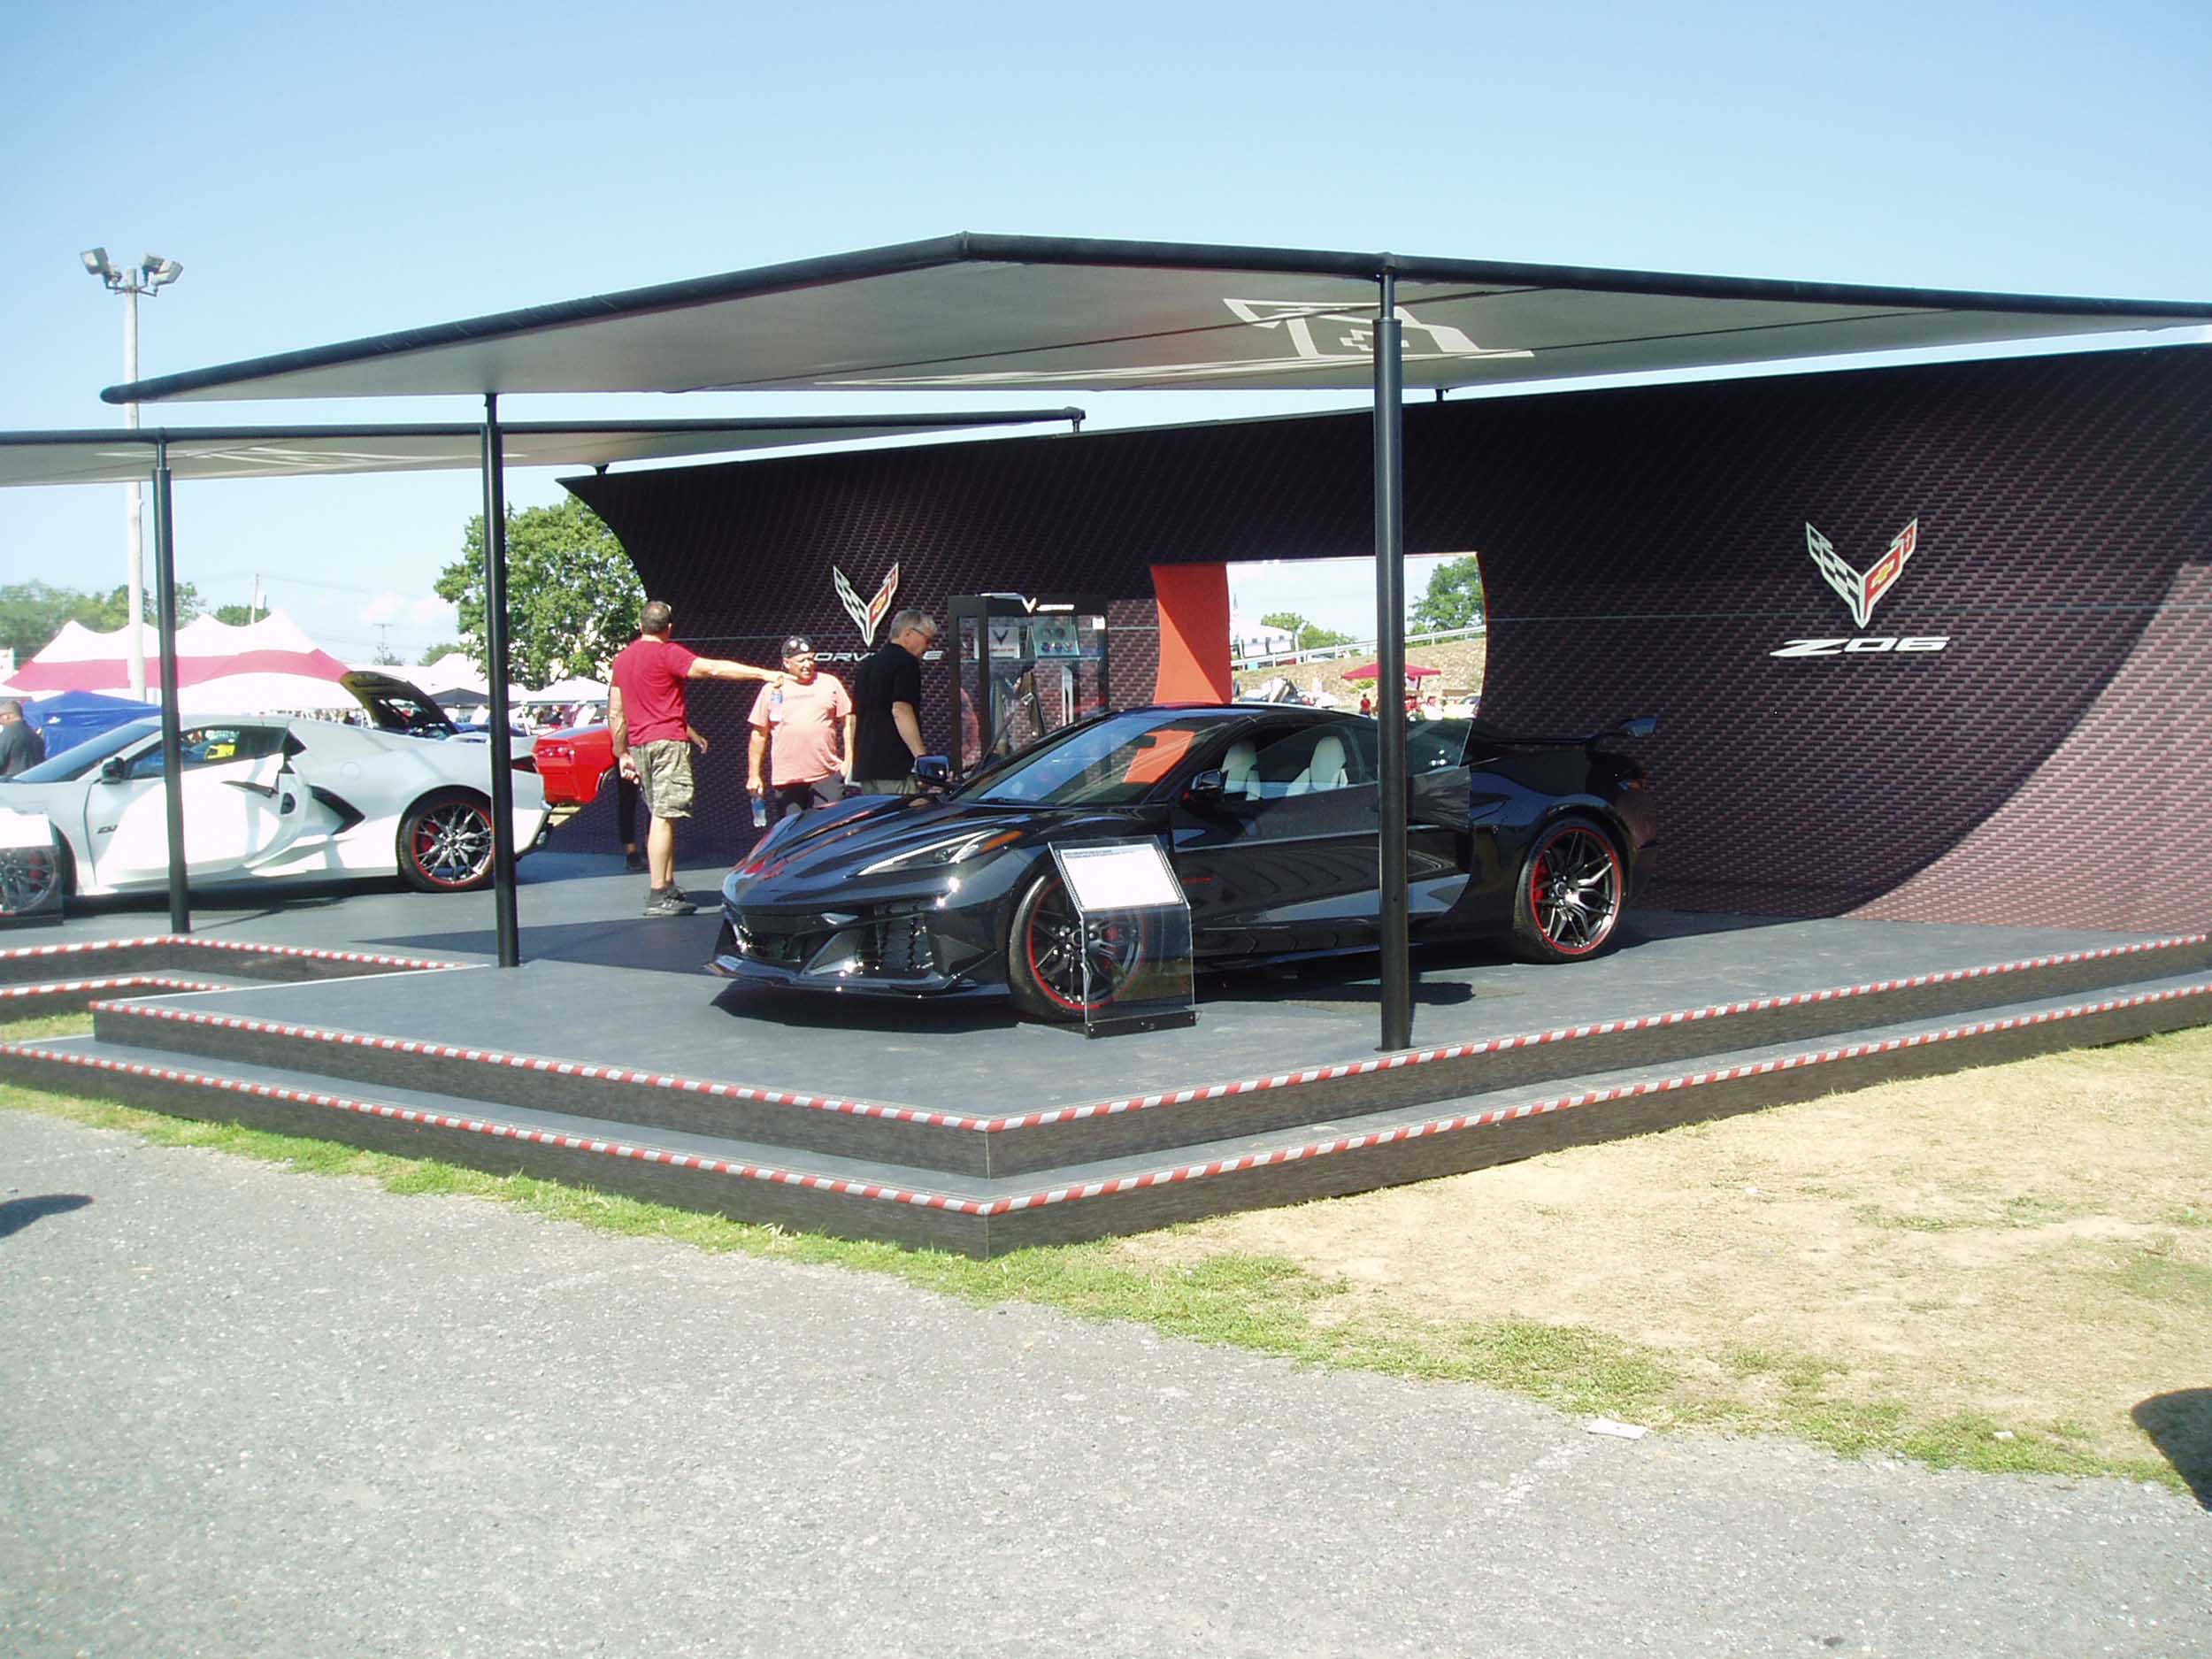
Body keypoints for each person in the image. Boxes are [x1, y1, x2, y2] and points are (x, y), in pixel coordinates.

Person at [610, 599, 784, 918]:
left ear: (640, 625)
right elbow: (713, 668)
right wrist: (763, 673)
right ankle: (658, 893)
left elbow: (616, 712)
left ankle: (667, 884)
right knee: (664, 815)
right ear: (669, 628)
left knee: (661, 814)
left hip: (640, 744)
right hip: (666, 744)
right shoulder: (668, 653)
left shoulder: (622, 660)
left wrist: (621, 753)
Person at [747, 636, 854, 821]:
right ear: (786, 663)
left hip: (827, 775)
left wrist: (849, 760)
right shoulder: (771, 689)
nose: (807, 665)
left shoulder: (829, 683)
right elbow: (759, 734)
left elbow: (848, 720)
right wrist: (753, 775)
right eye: (801, 660)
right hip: (788, 779)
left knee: (831, 830)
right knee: (794, 832)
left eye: (811, 659)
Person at [850, 608, 937, 794]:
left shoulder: (867, 665)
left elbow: (854, 719)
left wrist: (854, 758)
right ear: (908, 633)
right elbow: (901, 710)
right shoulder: (906, 662)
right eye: (927, 640)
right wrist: (922, 759)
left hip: (866, 768)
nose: (928, 647)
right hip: (895, 768)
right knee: (906, 811)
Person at [0, 699, 47, 777]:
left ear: (7, 716)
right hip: (37, 778)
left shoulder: (9, 732)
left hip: (15, 780)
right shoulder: (34, 734)